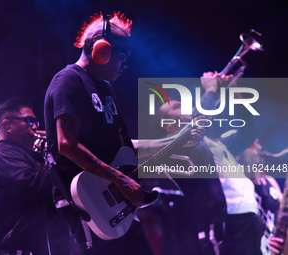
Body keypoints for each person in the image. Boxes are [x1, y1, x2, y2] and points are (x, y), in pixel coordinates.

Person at [44, 12, 205, 255]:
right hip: (85, 205)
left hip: (113, 204)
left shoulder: (105, 88)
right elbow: (66, 144)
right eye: (123, 57)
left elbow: (125, 148)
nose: (125, 65)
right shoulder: (68, 81)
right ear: (101, 50)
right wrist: (120, 179)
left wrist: (174, 141)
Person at [154, 72, 262, 255]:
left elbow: (248, 133)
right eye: (177, 107)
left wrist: (235, 92)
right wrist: (211, 90)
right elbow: (193, 128)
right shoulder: (173, 146)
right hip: (223, 220)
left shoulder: (217, 144)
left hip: (249, 215)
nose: (185, 107)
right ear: (166, 124)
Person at [0, 98, 68, 255]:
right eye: (29, 121)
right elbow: (37, 187)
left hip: (40, 246)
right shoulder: (1, 155)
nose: (35, 127)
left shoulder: (22, 155)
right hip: (20, 249)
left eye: (36, 122)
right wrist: (58, 154)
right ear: (7, 125)